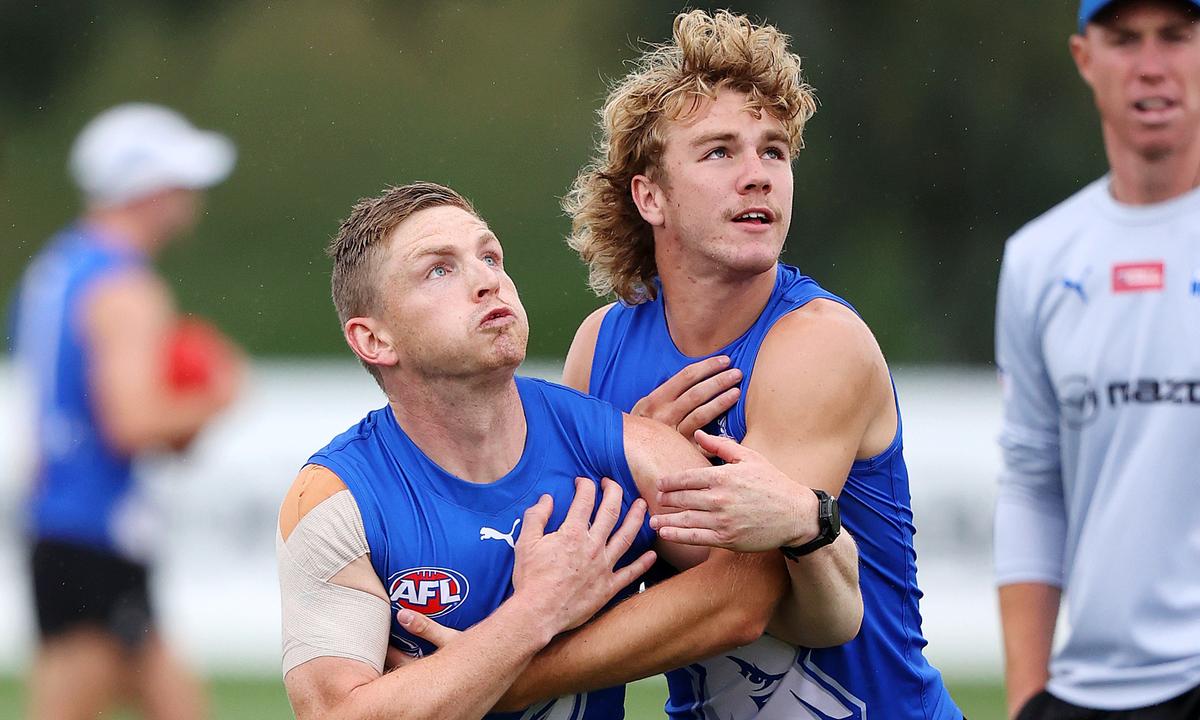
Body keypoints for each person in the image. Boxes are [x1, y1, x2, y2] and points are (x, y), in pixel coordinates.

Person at [278, 182, 863, 720]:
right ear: (372, 338)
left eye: (489, 257)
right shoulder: (335, 498)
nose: (487, 281)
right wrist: (537, 613)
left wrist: (811, 520)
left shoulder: (621, 446)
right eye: (437, 271)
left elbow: (753, 595)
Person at [543, 9, 961, 720]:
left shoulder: (819, 341)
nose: (758, 176)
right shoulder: (600, 346)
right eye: (719, 153)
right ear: (650, 196)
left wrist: (510, 680)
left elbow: (743, 600)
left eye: (773, 151)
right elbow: (575, 572)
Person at [994, 1, 1200, 718]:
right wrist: (1029, 697)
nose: (1151, 65)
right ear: (1085, 58)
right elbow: (1032, 483)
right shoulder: (1038, 258)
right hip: (1086, 693)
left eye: (1175, 37)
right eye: (1124, 40)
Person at [10, 103, 242, 720]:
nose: (191, 199)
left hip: (63, 526)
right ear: (149, 192)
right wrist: (217, 395)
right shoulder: (128, 289)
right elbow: (132, 423)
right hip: (94, 532)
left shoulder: (55, 269)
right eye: (181, 184)